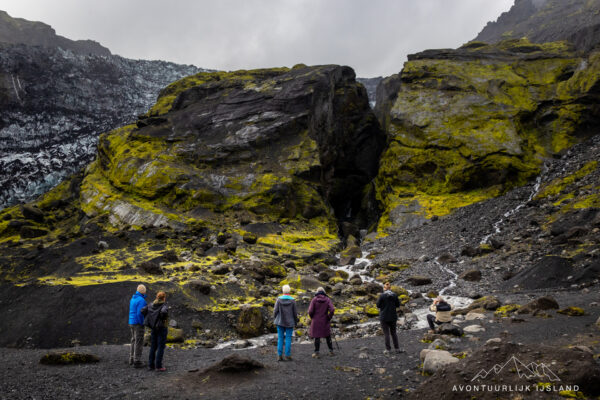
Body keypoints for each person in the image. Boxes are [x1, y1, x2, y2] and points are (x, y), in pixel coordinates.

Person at [142, 291, 169, 372]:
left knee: (153, 346)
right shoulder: (164, 305)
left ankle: (151, 365)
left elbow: (142, 310)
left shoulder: (151, 304)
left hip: (153, 328)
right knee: (161, 347)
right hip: (161, 328)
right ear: (164, 298)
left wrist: (150, 319)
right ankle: (158, 366)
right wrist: (162, 319)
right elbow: (164, 312)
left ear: (157, 297)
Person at [273, 284, 298, 361]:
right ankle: (287, 355)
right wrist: (296, 321)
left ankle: (279, 355)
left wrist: (275, 318)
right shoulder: (293, 300)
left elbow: (275, 311)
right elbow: (295, 313)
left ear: (283, 291)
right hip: (290, 322)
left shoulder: (279, 299)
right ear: (289, 291)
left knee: (280, 338)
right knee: (288, 339)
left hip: (280, 321)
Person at [308, 287, 335, 359]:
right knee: (327, 335)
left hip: (316, 320)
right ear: (324, 292)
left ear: (317, 292)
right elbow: (332, 309)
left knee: (317, 336)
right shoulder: (327, 299)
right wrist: (329, 317)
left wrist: (312, 317)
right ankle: (331, 351)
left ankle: (316, 352)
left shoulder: (314, 299)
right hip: (325, 319)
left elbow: (310, 311)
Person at [376, 282, 401, 355]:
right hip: (393, 316)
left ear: (384, 288)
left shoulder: (382, 296)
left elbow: (378, 305)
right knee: (394, 333)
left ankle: (388, 349)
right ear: (390, 288)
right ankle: (397, 348)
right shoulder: (395, 295)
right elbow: (398, 305)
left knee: (386, 333)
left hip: (384, 317)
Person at [128, 284, 147, 368]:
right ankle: (137, 361)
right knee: (139, 342)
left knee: (133, 340)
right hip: (138, 323)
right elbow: (140, 313)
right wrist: (142, 322)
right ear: (143, 291)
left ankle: (131, 359)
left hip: (131, 322)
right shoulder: (141, 300)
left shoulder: (133, 298)